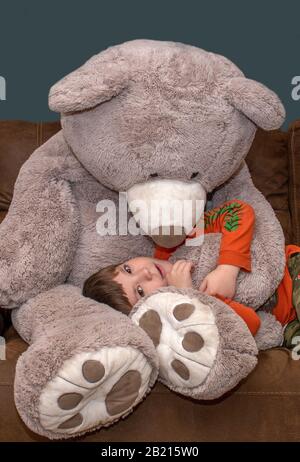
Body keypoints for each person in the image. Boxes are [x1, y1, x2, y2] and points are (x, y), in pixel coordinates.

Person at [82, 199, 300, 347]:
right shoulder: (182, 317)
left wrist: (228, 268)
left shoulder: (175, 241)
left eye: (128, 269)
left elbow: (237, 211)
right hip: (287, 323)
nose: (145, 272)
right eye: (139, 290)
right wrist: (191, 296)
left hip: (291, 270)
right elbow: (251, 325)